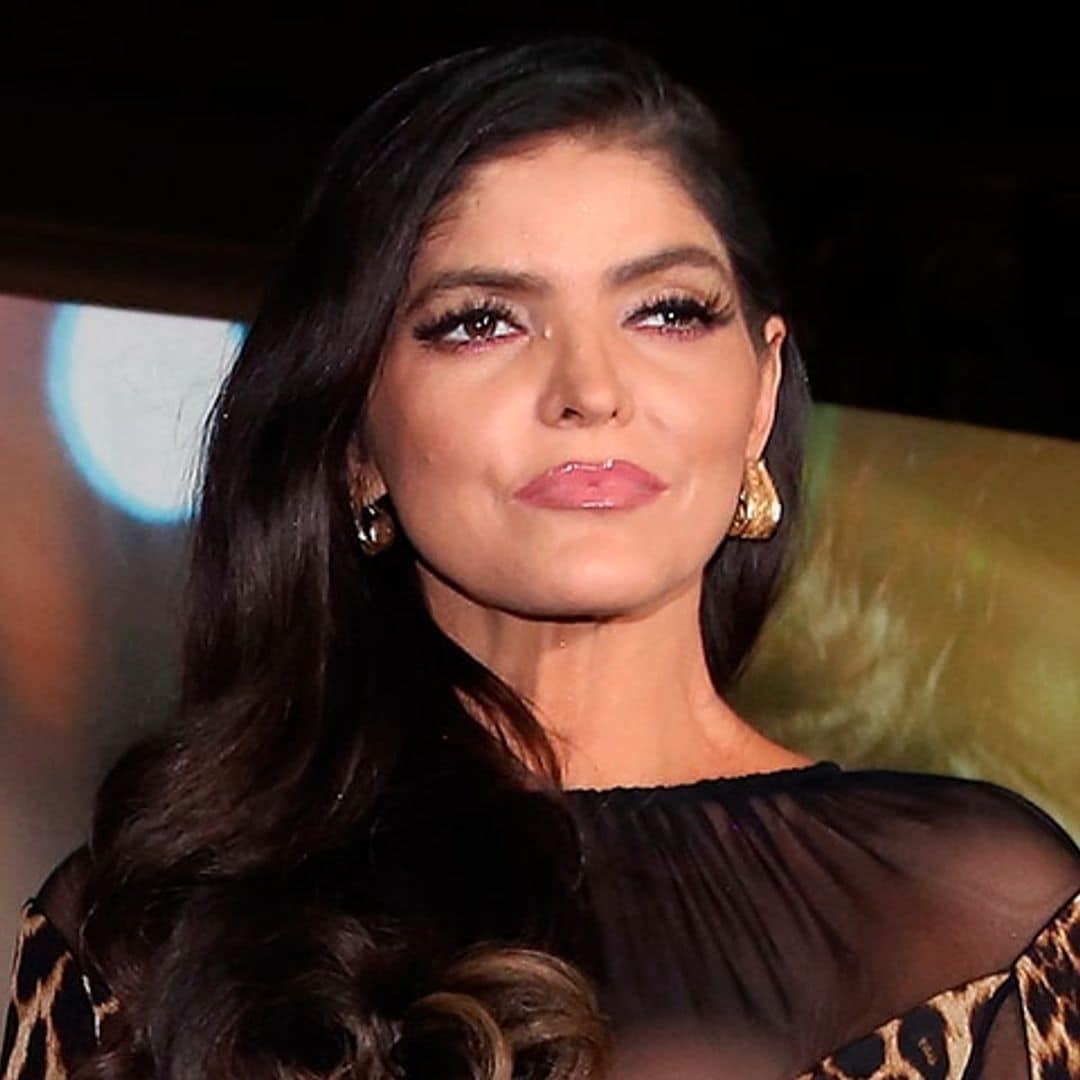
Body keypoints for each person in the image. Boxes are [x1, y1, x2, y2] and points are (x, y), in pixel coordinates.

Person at [3, 36, 1079, 1080]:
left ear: (759, 399)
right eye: (482, 322)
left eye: (667, 312)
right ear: (357, 440)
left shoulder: (977, 911)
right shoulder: (150, 930)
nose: (590, 390)